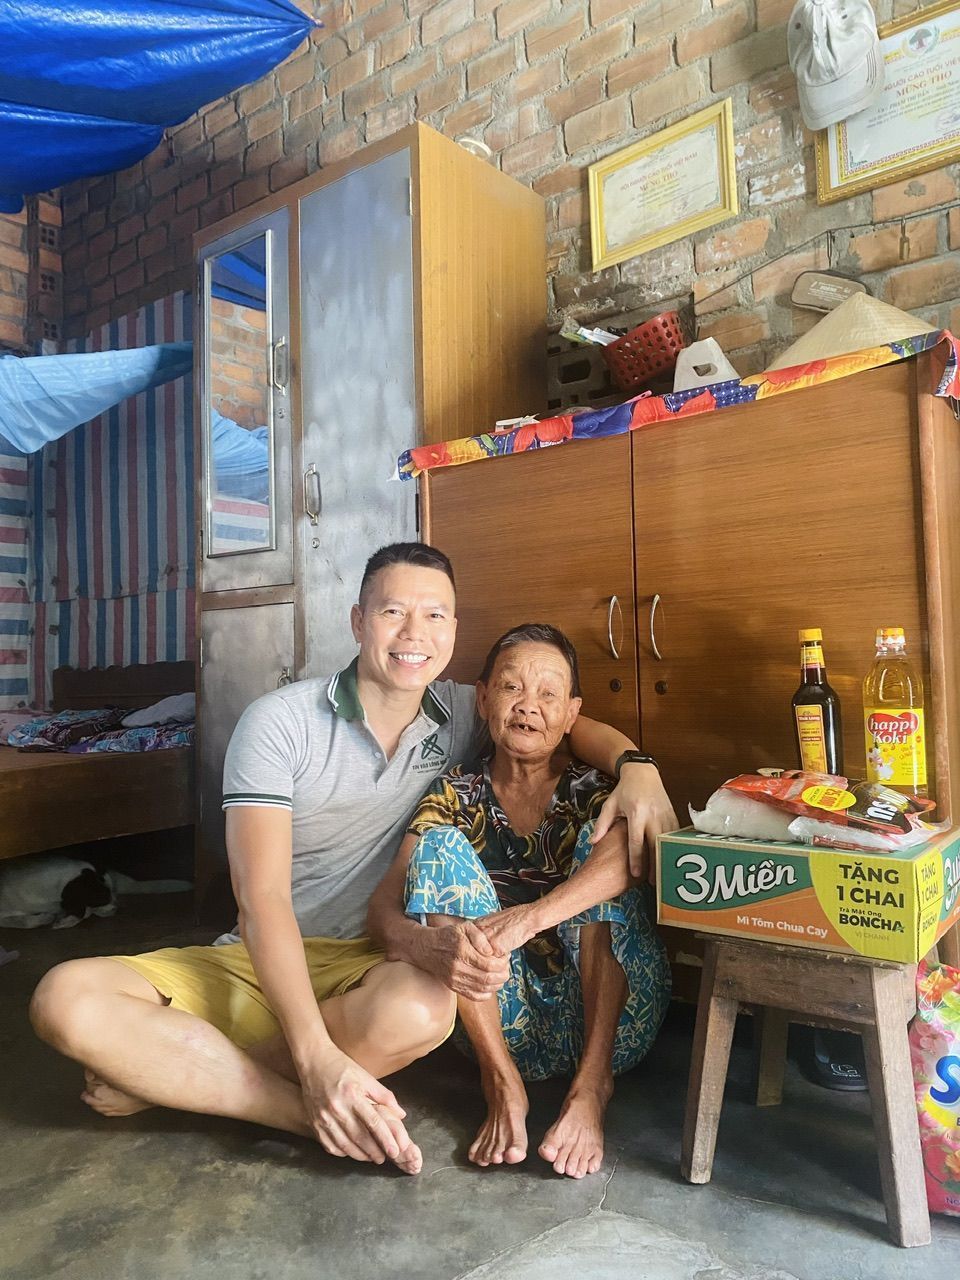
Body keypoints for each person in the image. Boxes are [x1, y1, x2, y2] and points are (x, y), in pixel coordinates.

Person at [30, 544, 676, 1175]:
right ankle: (297, 1111)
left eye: (434, 615)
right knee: (65, 998)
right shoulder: (280, 722)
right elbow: (262, 901)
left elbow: (560, 717)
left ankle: (176, 1079)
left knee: (424, 1009)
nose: (414, 633)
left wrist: (637, 766)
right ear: (359, 621)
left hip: (370, 974)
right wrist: (315, 1060)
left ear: (452, 630)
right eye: (394, 612)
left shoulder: (460, 711)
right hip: (266, 955)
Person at [368, 623, 671, 1179]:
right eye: (512, 688)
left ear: (572, 714)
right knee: (437, 847)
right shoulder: (455, 793)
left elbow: (641, 854)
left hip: (611, 1026)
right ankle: (501, 1083)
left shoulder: (593, 788)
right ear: (484, 699)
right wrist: (431, 946)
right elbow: (382, 913)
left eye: (549, 694)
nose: (529, 706)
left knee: (609, 847)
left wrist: (529, 919)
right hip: (497, 1019)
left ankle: (591, 1087)